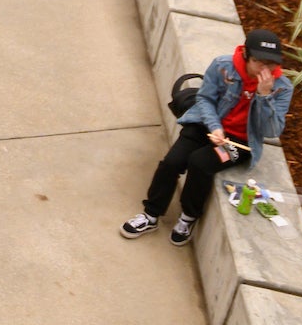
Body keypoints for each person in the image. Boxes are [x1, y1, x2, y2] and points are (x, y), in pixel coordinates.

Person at [122, 29, 292, 245]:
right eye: (261, 62)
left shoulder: (282, 88)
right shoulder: (223, 66)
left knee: (200, 163)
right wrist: (215, 126)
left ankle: (188, 217)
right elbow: (204, 99)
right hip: (207, 125)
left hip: (239, 143)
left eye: (272, 64)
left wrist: (264, 96)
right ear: (247, 55)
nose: (266, 69)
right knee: (172, 162)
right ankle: (150, 215)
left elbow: (272, 130)